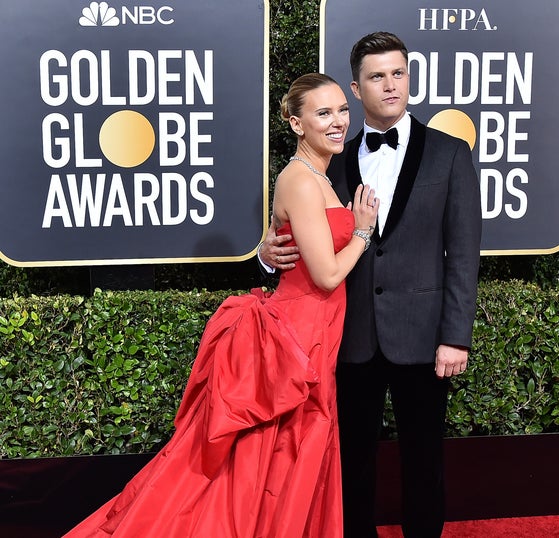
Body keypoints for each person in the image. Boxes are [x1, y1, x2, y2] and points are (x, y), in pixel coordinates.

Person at [63, 73, 378, 538]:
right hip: (297, 337)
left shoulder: (322, 177)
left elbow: (298, 253)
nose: (338, 122)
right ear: (295, 123)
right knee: (273, 452)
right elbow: (328, 274)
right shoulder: (301, 181)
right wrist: (363, 231)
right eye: (323, 113)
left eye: (342, 110)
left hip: (319, 332)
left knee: (288, 454)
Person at [259, 32, 482, 538]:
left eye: (398, 74)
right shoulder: (331, 155)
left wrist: (456, 335)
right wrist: (264, 255)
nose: (390, 86)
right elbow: (293, 230)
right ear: (356, 90)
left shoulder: (450, 154)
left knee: (423, 458)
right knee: (349, 460)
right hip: (345, 335)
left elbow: (464, 253)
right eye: (377, 77)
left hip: (424, 336)